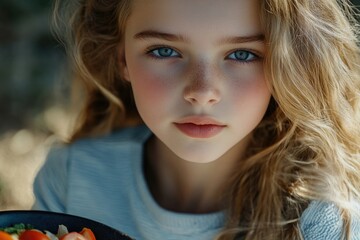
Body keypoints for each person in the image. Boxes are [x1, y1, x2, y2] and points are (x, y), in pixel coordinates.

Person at [32, 0, 360, 239]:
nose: (202, 92)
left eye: (242, 54)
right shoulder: (73, 178)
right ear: (123, 60)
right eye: (164, 50)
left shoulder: (321, 220)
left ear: (288, 65)